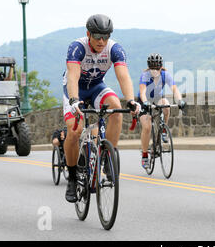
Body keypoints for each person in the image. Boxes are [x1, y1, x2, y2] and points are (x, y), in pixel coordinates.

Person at [62, 14, 140, 203]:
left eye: (105, 36)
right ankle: (72, 178)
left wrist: (131, 100)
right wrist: (74, 100)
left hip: (96, 87)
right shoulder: (77, 47)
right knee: (75, 131)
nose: (101, 41)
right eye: (97, 36)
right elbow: (73, 75)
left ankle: (106, 159)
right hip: (75, 89)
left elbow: (123, 76)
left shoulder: (115, 49)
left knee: (115, 106)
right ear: (88, 34)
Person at [137, 53, 186, 169]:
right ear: (149, 67)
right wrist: (145, 103)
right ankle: (144, 155)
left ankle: (163, 129)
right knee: (147, 127)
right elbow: (143, 92)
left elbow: (174, 89)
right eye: (152, 68)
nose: (155, 70)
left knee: (166, 104)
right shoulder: (145, 75)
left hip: (157, 99)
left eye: (157, 68)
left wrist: (180, 101)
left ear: (160, 67)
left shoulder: (165, 75)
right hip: (144, 100)